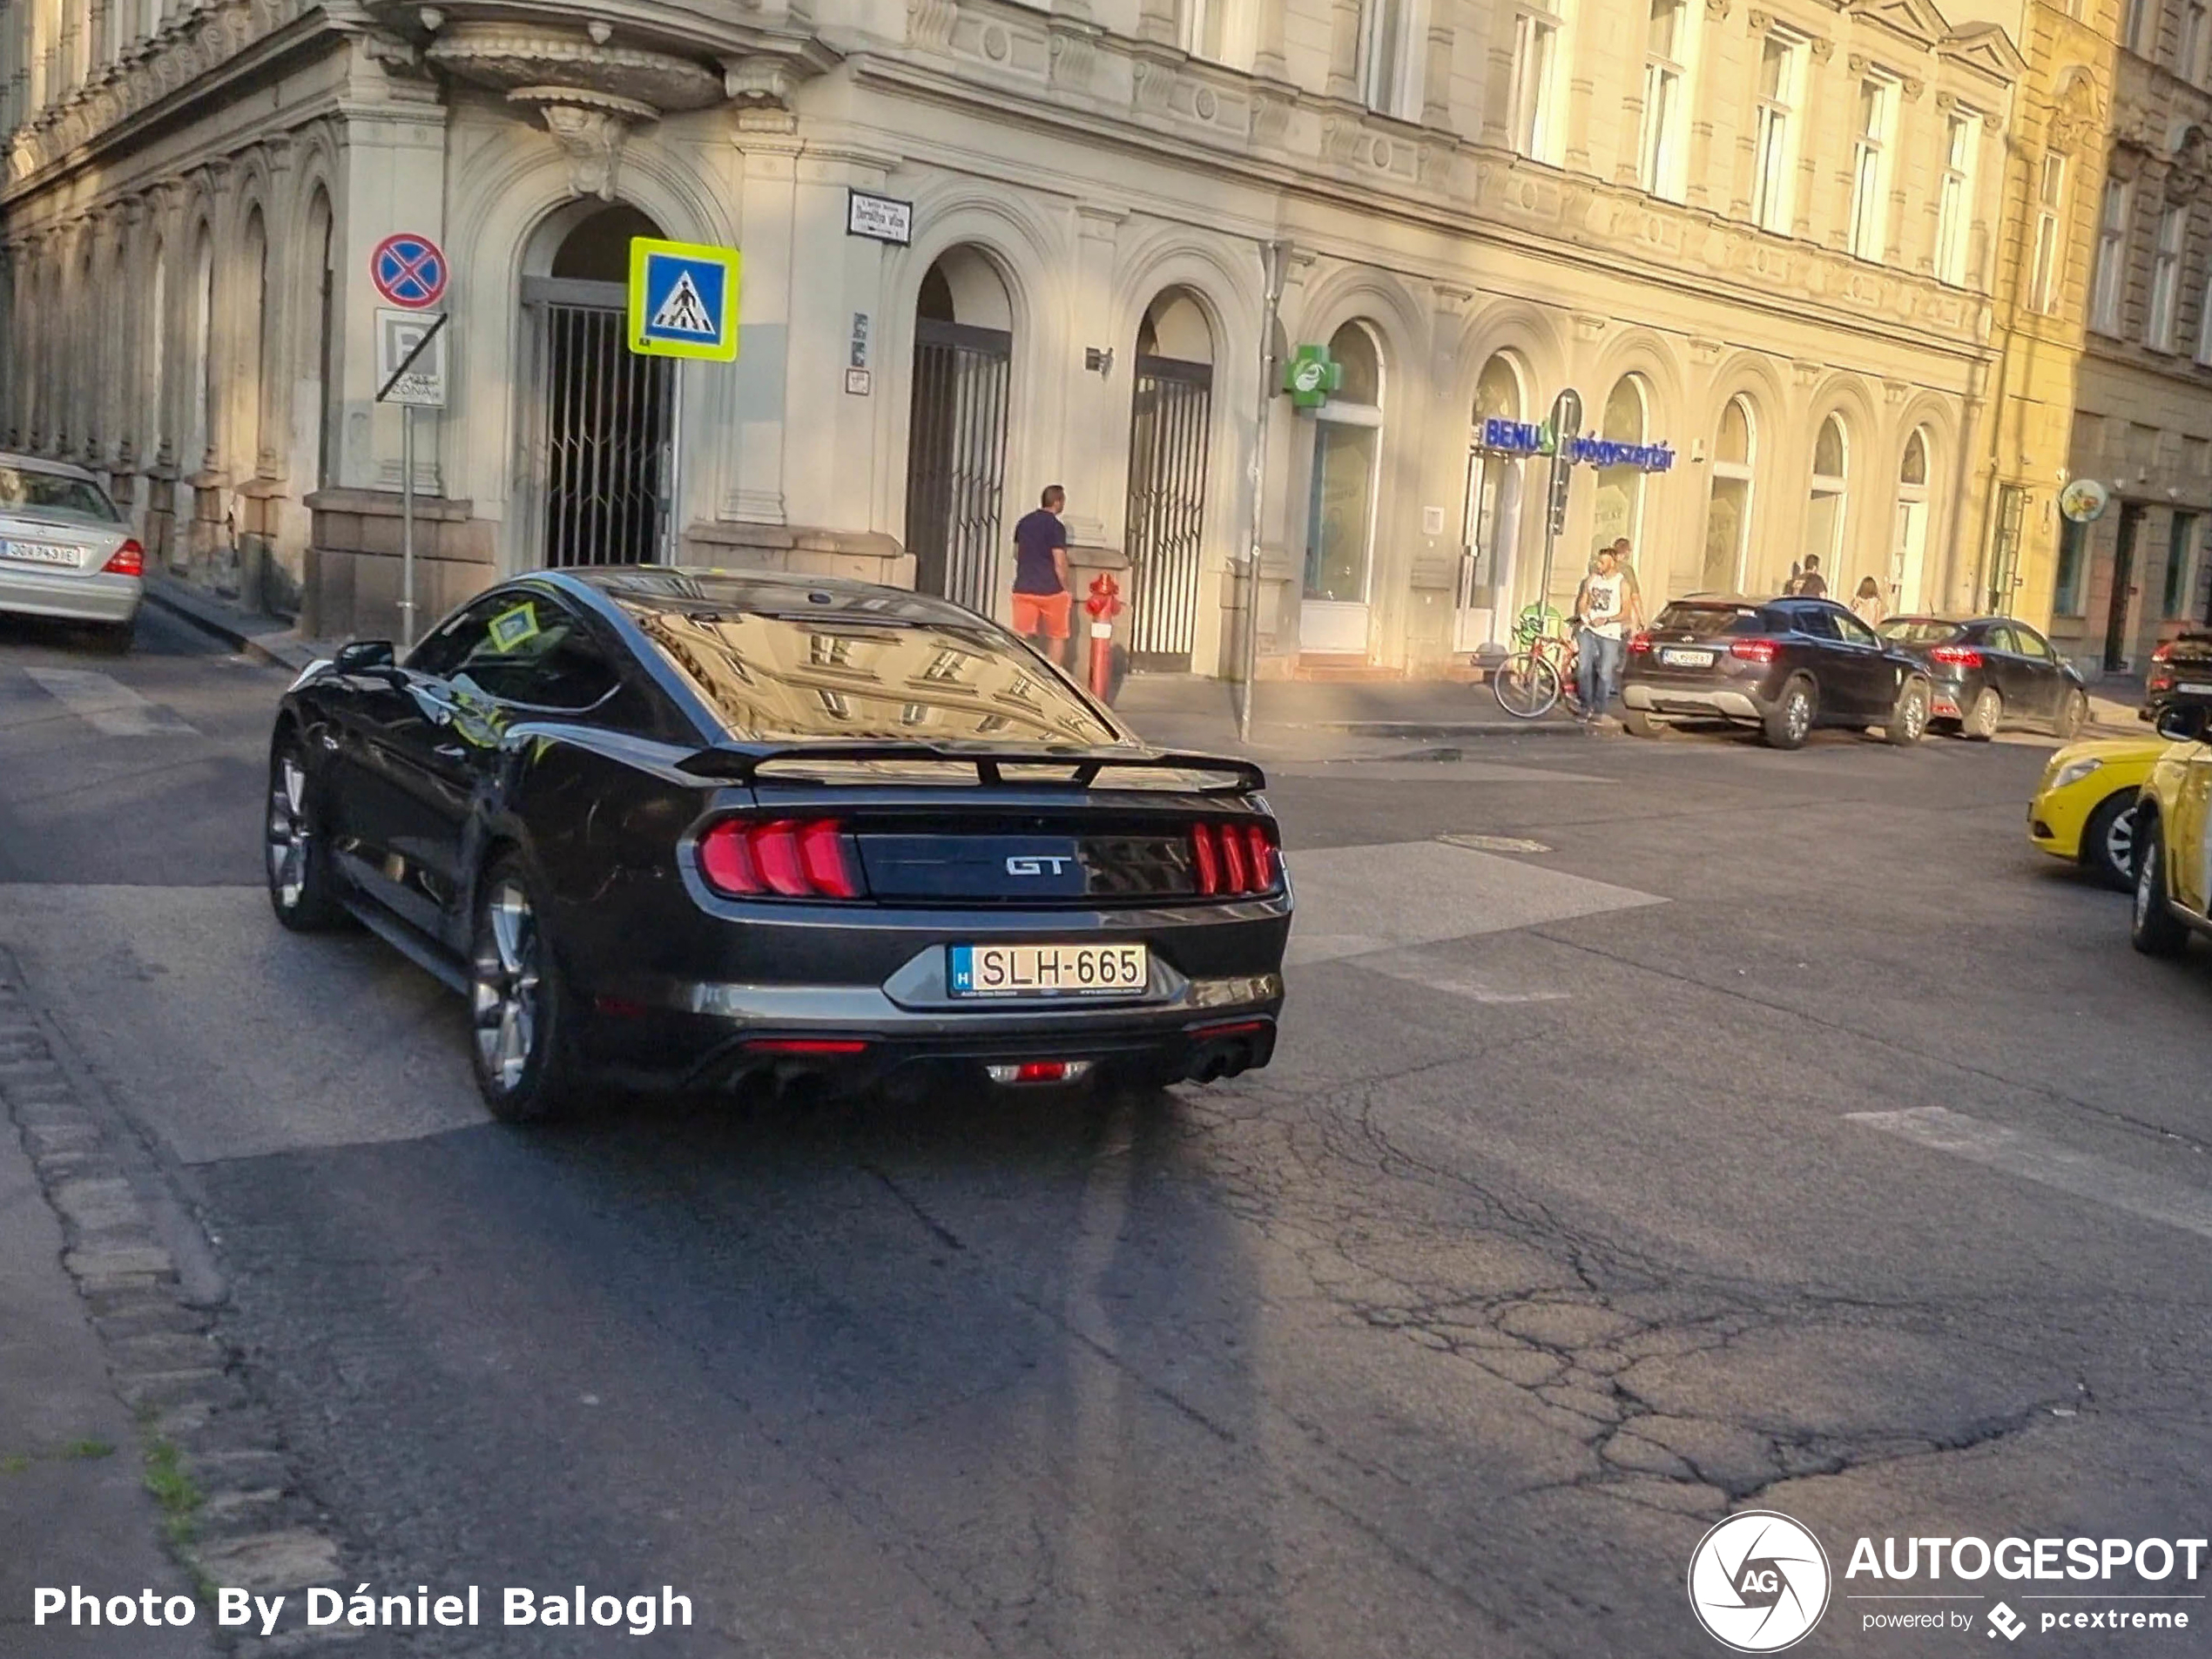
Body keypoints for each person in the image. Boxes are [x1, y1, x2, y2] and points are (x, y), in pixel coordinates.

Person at [1574, 540, 1643, 725]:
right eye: (1598, 561)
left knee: (1605, 673)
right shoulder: (1592, 579)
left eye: (1602, 562)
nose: (1598, 565)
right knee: (1583, 669)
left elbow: (1626, 613)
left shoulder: (1622, 583)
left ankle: (1599, 709)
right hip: (1589, 630)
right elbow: (1584, 599)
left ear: (1612, 563)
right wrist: (1583, 612)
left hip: (1610, 634)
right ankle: (1585, 706)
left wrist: (1607, 619)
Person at [1010, 485, 1072, 667]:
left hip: (1024, 587)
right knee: (1057, 637)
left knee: (1021, 636)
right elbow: (1059, 562)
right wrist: (1066, 588)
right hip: (1051, 591)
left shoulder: (1024, 522)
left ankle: (1018, 672)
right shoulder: (1056, 527)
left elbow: (1016, 552)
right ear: (1057, 502)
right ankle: (1054, 679)